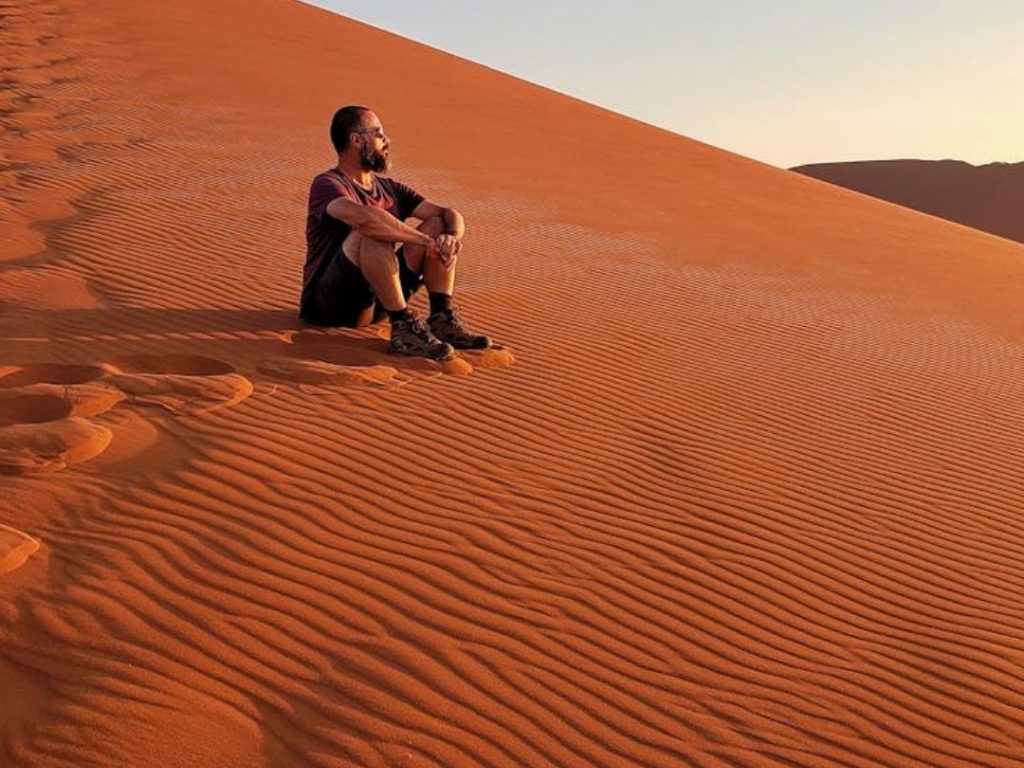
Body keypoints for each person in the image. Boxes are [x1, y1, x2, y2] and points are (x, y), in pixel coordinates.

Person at [301, 105, 491, 361]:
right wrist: (425, 242)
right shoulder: (327, 184)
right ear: (356, 140)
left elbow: (449, 213)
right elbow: (368, 219)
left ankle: (442, 319)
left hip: (377, 304)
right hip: (330, 306)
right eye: (379, 134)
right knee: (373, 231)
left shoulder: (390, 188)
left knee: (437, 223)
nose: (386, 140)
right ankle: (403, 326)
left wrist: (451, 237)